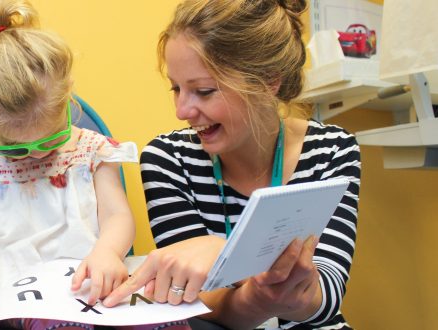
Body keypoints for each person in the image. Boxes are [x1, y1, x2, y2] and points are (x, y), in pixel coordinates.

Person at [102, 0, 361, 329]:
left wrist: (221, 251)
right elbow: (197, 302)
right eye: (176, 88)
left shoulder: (333, 150)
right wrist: (260, 292)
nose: (182, 110)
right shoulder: (167, 159)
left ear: (269, 82)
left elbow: (326, 296)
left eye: (204, 91)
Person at [0, 1, 192, 330]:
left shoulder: (91, 151)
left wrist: (107, 251)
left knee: (168, 321)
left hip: (95, 289)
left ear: (66, 101)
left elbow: (116, 215)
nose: (33, 155)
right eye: (15, 148)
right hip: (22, 303)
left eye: (48, 141)